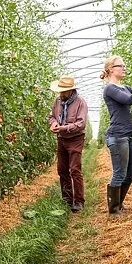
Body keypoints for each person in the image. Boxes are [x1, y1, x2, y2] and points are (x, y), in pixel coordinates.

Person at [100, 56, 132, 216]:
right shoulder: (110, 88)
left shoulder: (126, 87)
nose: (124, 68)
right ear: (110, 69)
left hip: (129, 135)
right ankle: (113, 209)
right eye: (120, 65)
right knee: (120, 173)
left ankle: (119, 203)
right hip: (117, 135)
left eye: (124, 65)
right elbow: (128, 100)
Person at [48, 75, 88, 213]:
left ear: (71, 90)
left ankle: (79, 201)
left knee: (74, 169)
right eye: (60, 90)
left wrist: (64, 128)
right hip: (62, 138)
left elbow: (81, 123)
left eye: (63, 91)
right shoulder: (58, 101)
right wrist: (53, 123)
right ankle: (67, 199)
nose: (61, 93)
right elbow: (51, 116)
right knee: (62, 169)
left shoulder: (80, 102)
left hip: (76, 139)